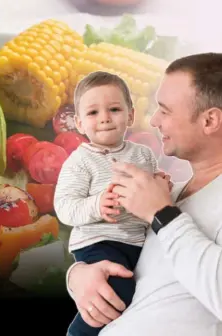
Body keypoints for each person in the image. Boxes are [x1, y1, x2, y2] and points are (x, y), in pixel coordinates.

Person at [65, 52, 222, 336]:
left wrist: (162, 214)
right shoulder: (166, 193)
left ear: (210, 120)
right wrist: (78, 276)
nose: (154, 121)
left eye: (165, 110)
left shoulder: (162, 206)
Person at [53, 70, 171, 336]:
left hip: (137, 243)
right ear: (79, 124)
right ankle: (78, 333)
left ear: (130, 115)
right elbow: (64, 206)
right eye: (93, 113)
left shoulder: (144, 154)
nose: (105, 118)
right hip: (98, 242)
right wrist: (97, 206)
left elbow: (153, 197)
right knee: (115, 291)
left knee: (139, 299)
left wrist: (161, 184)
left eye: (114, 109)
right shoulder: (79, 161)